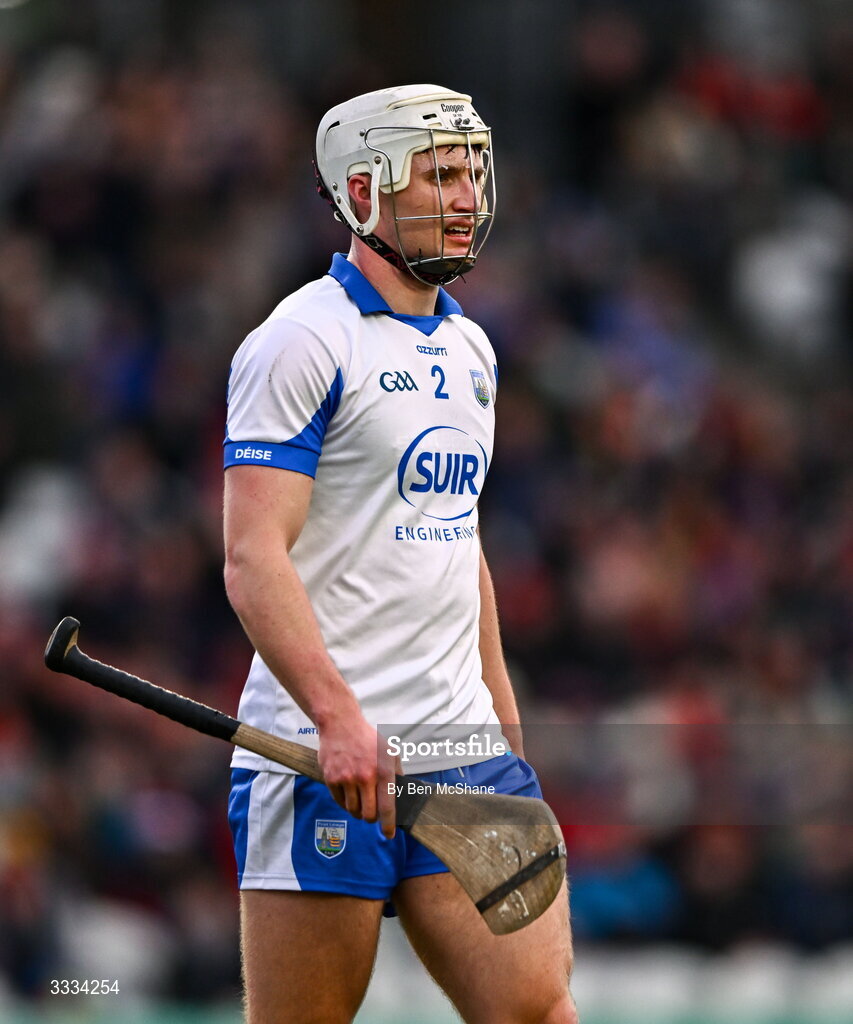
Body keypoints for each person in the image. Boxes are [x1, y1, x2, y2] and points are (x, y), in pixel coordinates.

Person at [223, 83, 578, 1024]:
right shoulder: (301, 340)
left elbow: (456, 539)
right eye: (439, 173)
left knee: (540, 1013)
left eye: (472, 172)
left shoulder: (471, 347)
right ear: (363, 189)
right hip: (317, 755)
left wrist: (500, 720)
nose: (465, 195)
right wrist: (337, 717)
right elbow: (253, 555)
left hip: (460, 749)